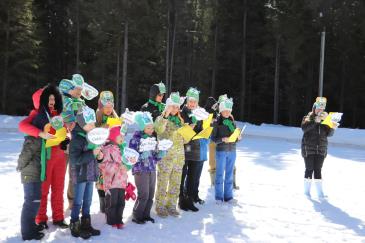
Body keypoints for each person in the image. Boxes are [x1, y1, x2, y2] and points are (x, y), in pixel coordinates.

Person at [33, 84, 68, 229]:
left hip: (60, 156)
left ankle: (58, 217)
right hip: (46, 156)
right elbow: (27, 128)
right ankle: (40, 219)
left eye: (54, 98)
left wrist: (67, 138)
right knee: (44, 189)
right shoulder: (39, 115)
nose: (51, 101)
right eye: (49, 98)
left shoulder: (59, 115)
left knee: (59, 188)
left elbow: (66, 131)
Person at [17, 88, 51, 241]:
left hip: (36, 170)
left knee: (35, 199)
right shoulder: (34, 137)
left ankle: (31, 226)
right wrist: (21, 166)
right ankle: (27, 232)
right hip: (30, 172)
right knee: (31, 201)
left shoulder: (39, 136)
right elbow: (26, 153)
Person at [69, 106, 101, 239]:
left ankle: (86, 223)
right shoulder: (77, 139)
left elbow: (96, 156)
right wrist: (92, 153)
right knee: (78, 201)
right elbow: (75, 159)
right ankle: (74, 223)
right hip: (81, 175)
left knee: (88, 200)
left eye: (93, 123)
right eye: (90, 124)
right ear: (82, 124)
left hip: (91, 173)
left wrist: (100, 156)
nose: (93, 126)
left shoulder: (93, 137)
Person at [129, 112, 166, 224]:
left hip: (151, 169)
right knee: (143, 194)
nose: (151, 130)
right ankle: (137, 215)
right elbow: (131, 157)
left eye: (152, 128)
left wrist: (159, 154)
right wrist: (140, 156)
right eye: (148, 128)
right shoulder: (135, 140)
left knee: (150, 194)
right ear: (141, 127)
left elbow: (154, 156)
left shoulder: (152, 139)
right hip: (140, 171)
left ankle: (146, 214)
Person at [154, 92, 186, 217]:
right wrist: (166, 115)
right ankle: (160, 206)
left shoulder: (180, 120)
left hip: (179, 157)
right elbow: (158, 129)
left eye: (177, 107)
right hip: (166, 157)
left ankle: (172, 205)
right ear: (168, 106)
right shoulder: (162, 118)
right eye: (173, 106)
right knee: (163, 181)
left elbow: (184, 138)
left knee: (176, 182)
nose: (175, 109)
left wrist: (187, 135)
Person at [59, 74, 87, 210]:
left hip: (78, 142)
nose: (79, 93)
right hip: (62, 144)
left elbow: (86, 119)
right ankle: (56, 206)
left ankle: (73, 202)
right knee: (59, 176)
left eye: (81, 91)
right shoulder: (63, 101)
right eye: (77, 90)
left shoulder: (81, 102)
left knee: (74, 174)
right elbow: (65, 120)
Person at [301, 97, 336, 199]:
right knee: (309, 169)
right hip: (308, 148)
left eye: (321, 109)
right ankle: (306, 192)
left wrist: (332, 127)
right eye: (317, 108)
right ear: (314, 108)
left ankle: (320, 193)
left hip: (321, 149)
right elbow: (304, 129)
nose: (319, 111)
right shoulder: (307, 118)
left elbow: (329, 134)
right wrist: (315, 121)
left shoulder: (326, 120)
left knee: (318, 169)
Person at [179, 88, 206, 212]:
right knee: (183, 173)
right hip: (185, 147)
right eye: (190, 101)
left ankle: (190, 199)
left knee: (193, 175)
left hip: (196, 147)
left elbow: (201, 128)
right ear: (187, 101)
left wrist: (203, 131)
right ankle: (181, 200)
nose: (192, 104)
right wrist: (190, 126)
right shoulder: (182, 112)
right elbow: (181, 131)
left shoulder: (199, 113)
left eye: (194, 102)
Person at [100, 125, 130, 229]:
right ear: (113, 136)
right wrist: (118, 166)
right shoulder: (107, 149)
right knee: (112, 203)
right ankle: (111, 221)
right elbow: (104, 165)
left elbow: (127, 162)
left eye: (123, 136)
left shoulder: (122, 149)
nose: (122, 138)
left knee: (121, 202)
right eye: (120, 136)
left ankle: (119, 219)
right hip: (111, 182)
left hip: (121, 181)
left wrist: (127, 166)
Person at [211, 96, 240, 204]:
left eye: (229, 111)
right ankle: (218, 197)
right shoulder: (217, 122)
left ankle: (228, 196)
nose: (227, 113)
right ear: (221, 110)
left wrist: (238, 137)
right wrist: (222, 139)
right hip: (221, 151)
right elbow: (213, 138)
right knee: (219, 174)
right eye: (225, 111)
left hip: (232, 151)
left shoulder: (232, 121)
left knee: (229, 174)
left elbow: (235, 136)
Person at [95, 91, 119, 213]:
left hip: (112, 152)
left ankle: (110, 202)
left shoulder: (114, 116)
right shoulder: (97, 115)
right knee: (101, 178)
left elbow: (119, 134)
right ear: (101, 106)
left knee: (111, 177)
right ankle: (102, 202)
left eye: (111, 107)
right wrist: (104, 127)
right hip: (101, 152)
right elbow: (92, 133)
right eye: (106, 107)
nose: (109, 109)